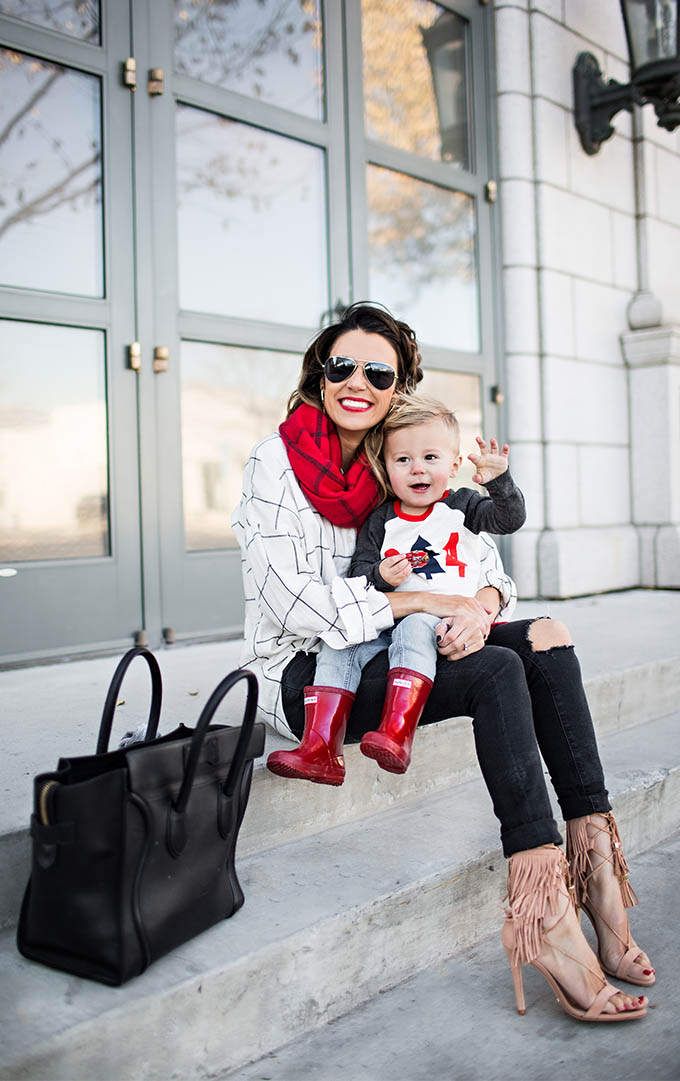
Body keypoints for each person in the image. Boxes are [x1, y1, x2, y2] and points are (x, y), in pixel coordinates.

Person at [232, 302, 653, 1023]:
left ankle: (597, 872)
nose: (356, 381)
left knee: (545, 635)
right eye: (341, 367)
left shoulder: (396, 455)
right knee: (498, 672)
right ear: (318, 375)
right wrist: (421, 604)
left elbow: (481, 557)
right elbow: (291, 600)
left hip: (402, 643)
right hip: (310, 669)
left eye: (377, 370)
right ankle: (545, 916)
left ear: (399, 385)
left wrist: (481, 604)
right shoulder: (276, 464)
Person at [267, 393, 526, 782]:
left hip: (436, 625)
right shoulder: (381, 520)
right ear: (386, 468)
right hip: (386, 617)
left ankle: (397, 732)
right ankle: (320, 748)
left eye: (430, 458)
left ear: (454, 464)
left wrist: (500, 483)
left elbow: (508, 520)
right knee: (340, 643)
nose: (417, 469)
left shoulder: (462, 507)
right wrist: (381, 577)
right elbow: (360, 576)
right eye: (403, 460)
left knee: (414, 624)